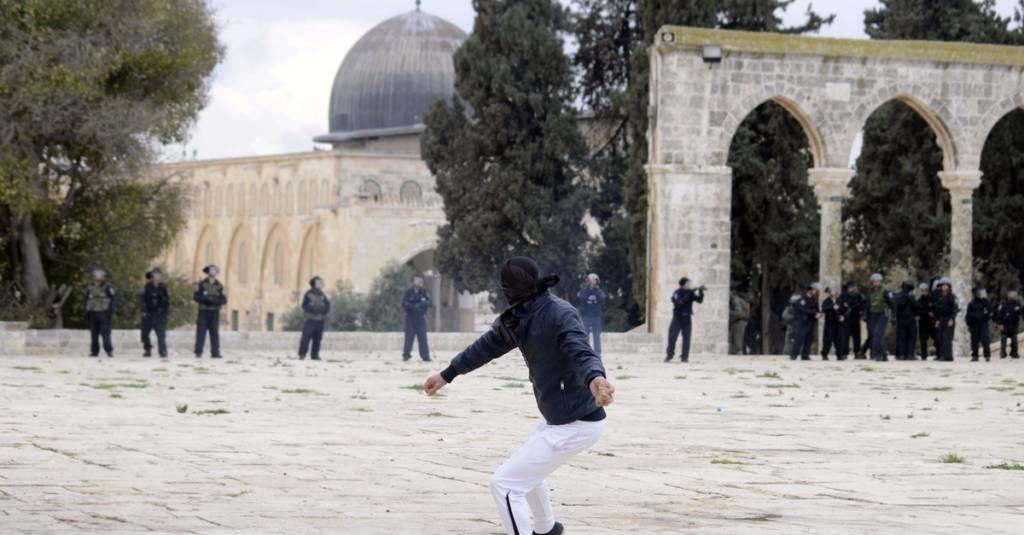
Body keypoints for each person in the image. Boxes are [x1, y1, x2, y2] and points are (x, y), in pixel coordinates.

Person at [422, 256, 614, 535]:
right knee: (527, 473)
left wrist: (595, 378)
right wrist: (447, 374)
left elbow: (581, 351)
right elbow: (486, 346)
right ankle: (547, 528)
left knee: (505, 485)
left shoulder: (559, 314)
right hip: (557, 419)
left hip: (577, 423)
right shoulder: (520, 316)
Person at [665, 277, 705, 362]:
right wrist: (690, 293)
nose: (689, 285)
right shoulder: (677, 292)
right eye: (688, 283)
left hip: (687, 318)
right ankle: (669, 355)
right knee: (672, 337)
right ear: (683, 284)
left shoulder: (690, 293)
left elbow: (699, 300)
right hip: (677, 318)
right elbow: (679, 303)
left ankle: (685, 357)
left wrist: (700, 292)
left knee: (687, 338)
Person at [193, 264, 226, 359]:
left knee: (214, 333)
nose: (212, 272)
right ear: (208, 272)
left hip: (214, 312)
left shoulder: (219, 286)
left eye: (214, 270)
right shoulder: (201, 284)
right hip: (203, 311)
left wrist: (215, 302)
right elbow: (195, 297)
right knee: (200, 332)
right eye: (211, 270)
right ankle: (198, 352)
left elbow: (224, 299)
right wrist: (205, 300)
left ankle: (215, 352)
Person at [85, 268, 116, 358]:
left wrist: (110, 311)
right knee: (94, 334)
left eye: (100, 275)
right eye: (96, 275)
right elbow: (86, 300)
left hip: (104, 314)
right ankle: (95, 352)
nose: (98, 276)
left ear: (103, 277)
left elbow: (113, 299)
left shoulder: (107, 287)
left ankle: (109, 351)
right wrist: (86, 312)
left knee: (105, 333)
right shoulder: (90, 287)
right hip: (93, 313)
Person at [298, 276, 330, 361]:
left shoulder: (322, 294)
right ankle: (302, 354)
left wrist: (324, 310)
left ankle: (315, 355)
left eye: (321, 282)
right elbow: (304, 305)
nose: (321, 284)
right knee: (305, 338)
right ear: (314, 284)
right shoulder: (308, 294)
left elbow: (327, 305)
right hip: (310, 320)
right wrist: (313, 309)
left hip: (320, 321)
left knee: (317, 339)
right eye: (319, 282)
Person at [865, 273, 894, 361]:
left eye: (878, 281)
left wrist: (894, 316)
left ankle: (880, 354)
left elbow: (892, 303)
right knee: (875, 334)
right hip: (874, 314)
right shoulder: (871, 292)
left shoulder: (885, 291)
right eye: (875, 281)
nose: (877, 283)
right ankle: (881, 354)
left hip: (883, 313)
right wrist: (865, 315)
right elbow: (868, 305)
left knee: (878, 333)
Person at [141, 268, 170, 358]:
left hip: (159, 314)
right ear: (152, 276)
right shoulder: (147, 287)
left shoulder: (163, 287)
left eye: (158, 275)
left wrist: (166, 313)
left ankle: (162, 351)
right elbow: (142, 300)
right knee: (144, 334)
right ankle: (147, 350)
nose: (157, 277)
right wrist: (144, 311)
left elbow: (167, 301)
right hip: (149, 314)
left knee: (161, 335)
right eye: (155, 275)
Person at [402, 276, 431, 362]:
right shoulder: (409, 292)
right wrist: (413, 307)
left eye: (420, 282)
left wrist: (420, 306)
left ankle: (425, 357)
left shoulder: (424, 292)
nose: (419, 284)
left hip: (421, 318)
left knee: (423, 338)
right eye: (418, 282)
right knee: (409, 337)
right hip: (411, 318)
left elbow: (429, 302)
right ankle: (406, 355)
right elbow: (404, 303)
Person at [789, 283, 821, 361]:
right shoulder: (802, 299)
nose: (815, 291)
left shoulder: (813, 300)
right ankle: (794, 355)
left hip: (811, 322)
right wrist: (814, 313)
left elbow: (817, 309)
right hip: (803, 322)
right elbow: (803, 309)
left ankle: (805, 355)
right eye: (814, 290)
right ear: (810, 290)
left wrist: (818, 314)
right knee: (799, 339)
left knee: (809, 339)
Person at [576, 273, 606, 354]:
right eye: (590, 280)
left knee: (597, 337)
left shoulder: (599, 291)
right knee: (585, 336)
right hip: (586, 317)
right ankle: (586, 353)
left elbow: (602, 299)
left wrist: (596, 289)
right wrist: (588, 289)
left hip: (596, 317)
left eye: (594, 280)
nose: (592, 282)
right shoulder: (584, 290)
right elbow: (582, 299)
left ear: (597, 281)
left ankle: (597, 355)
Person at [838, 281, 867, 359]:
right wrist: (841, 314)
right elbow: (840, 306)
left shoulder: (859, 295)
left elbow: (863, 305)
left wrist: (862, 312)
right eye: (851, 287)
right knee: (845, 336)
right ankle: (844, 353)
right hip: (846, 318)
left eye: (853, 287)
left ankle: (857, 352)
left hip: (855, 318)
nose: (853, 289)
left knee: (856, 336)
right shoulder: (843, 296)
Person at [932, 277, 959, 361]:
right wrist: (937, 320)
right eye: (942, 286)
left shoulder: (952, 297)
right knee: (940, 337)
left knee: (947, 338)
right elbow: (937, 310)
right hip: (941, 319)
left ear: (949, 286)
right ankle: (942, 354)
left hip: (949, 319)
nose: (944, 287)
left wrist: (952, 319)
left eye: (946, 285)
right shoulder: (939, 297)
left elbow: (955, 308)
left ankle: (947, 356)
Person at [893, 280, 920, 361]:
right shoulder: (909, 296)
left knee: (901, 337)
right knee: (911, 337)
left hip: (900, 319)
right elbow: (917, 305)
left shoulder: (897, 296)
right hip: (910, 318)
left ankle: (901, 354)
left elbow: (894, 307)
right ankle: (909, 354)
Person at [966, 287, 993, 362]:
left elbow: (990, 312)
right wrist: (969, 324)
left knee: (985, 340)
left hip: (983, 324)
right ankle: (975, 355)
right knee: (974, 341)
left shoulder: (986, 303)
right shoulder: (971, 304)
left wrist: (986, 316)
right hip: (974, 324)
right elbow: (968, 315)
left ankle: (987, 355)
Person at [820, 287, 845, 360]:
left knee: (839, 339)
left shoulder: (840, 300)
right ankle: (824, 354)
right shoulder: (827, 301)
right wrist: (832, 307)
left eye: (834, 292)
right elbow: (824, 309)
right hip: (829, 323)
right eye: (831, 292)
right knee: (827, 340)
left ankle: (840, 355)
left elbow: (845, 309)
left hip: (838, 323)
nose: (833, 294)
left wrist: (842, 316)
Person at [997, 290, 1021, 359]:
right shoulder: (1003, 303)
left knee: (1014, 339)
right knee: (1003, 338)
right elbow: (999, 314)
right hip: (1005, 325)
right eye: (1013, 295)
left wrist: (1018, 310)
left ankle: (1014, 353)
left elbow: (1020, 312)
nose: (1014, 297)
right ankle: (1003, 353)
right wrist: (1000, 324)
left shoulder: (1017, 303)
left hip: (1013, 324)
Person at [917, 282, 935, 360]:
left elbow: (936, 308)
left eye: (925, 290)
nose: (924, 292)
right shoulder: (919, 300)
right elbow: (918, 311)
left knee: (936, 338)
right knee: (923, 339)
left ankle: (939, 353)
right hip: (923, 322)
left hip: (932, 322)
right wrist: (927, 313)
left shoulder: (932, 299)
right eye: (922, 290)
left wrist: (934, 314)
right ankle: (923, 355)